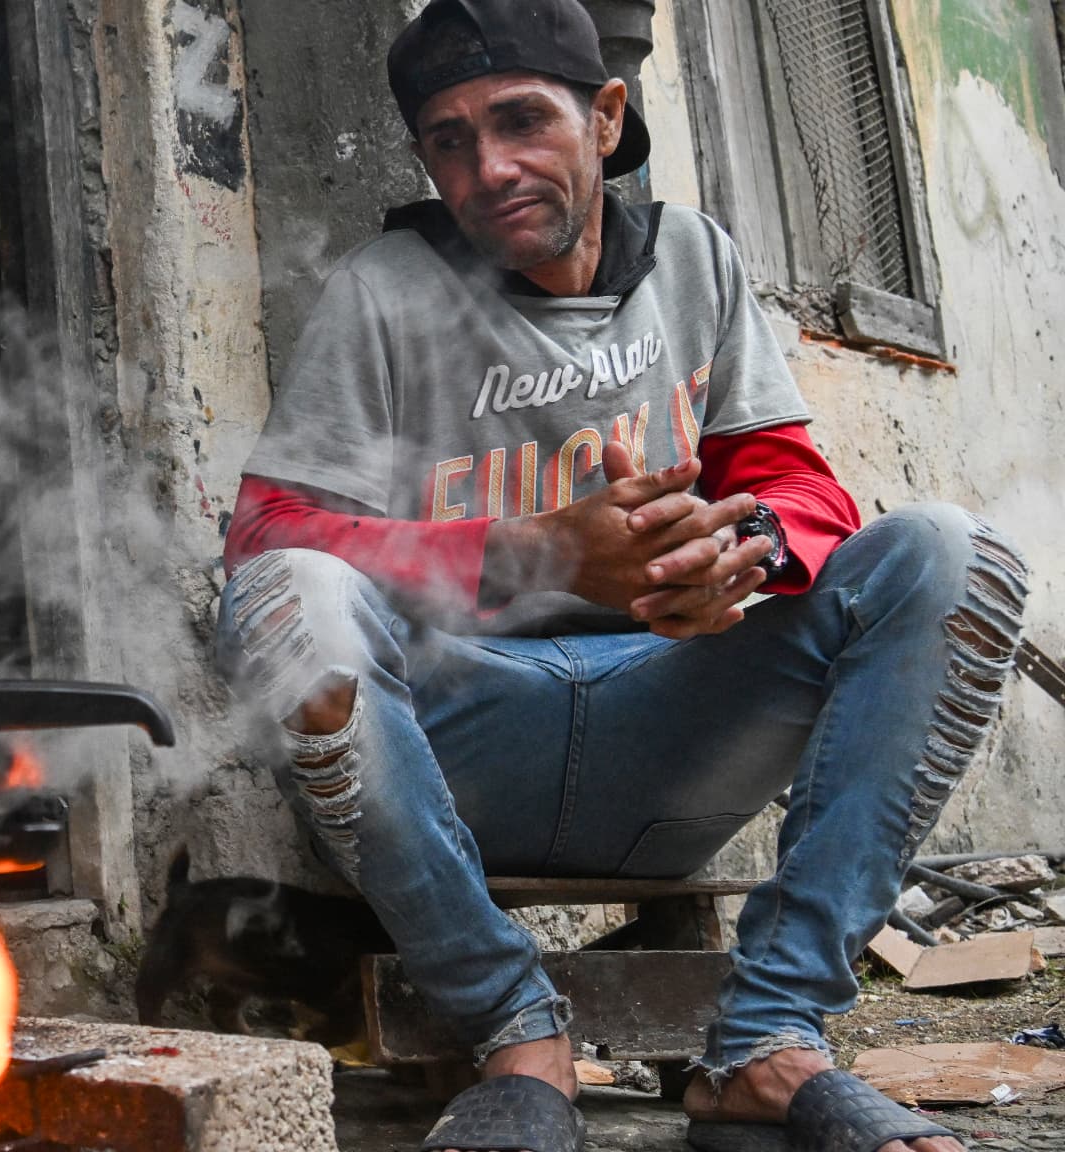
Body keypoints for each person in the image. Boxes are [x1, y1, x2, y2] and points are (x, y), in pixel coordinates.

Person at [216, 2, 1026, 1150]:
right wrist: (536, 553)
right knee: (283, 594)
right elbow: (263, 534)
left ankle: (767, 1042)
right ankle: (515, 1039)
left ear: (604, 117)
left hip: (671, 730)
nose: (486, 167)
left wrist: (735, 555)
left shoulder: (692, 259)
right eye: (447, 140)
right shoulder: (384, 290)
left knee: (947, 554)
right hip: (461, 752)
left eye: (519, 121)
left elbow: (796, 486)